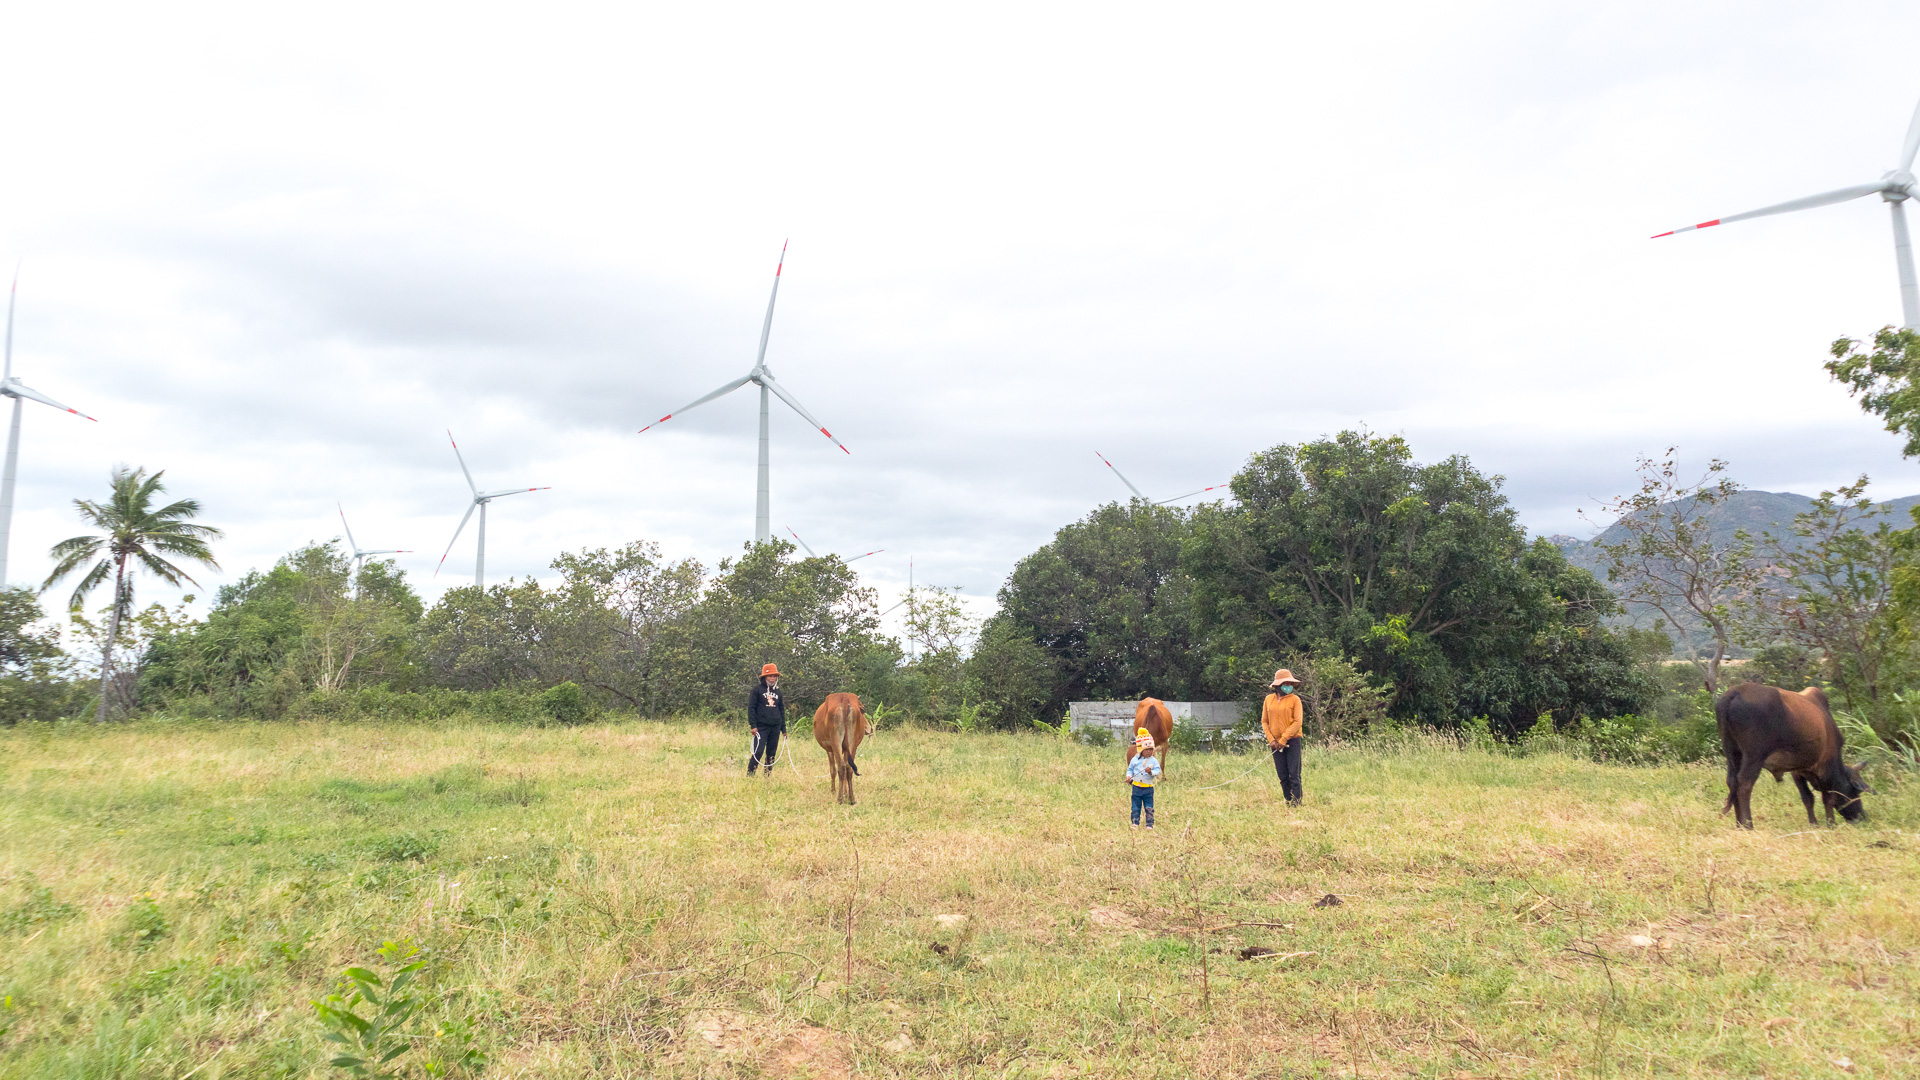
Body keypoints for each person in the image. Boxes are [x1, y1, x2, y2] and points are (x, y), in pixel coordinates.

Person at [1261, 668, 1304, 806]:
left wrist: (1284, 739)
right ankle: (1288, 799)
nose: (1288, 686)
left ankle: (1297, 802)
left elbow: (1298, 722)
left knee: (1294, 774)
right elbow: (1264, 721)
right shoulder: (1268, 700)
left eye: (1290, 683)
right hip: (1275, 743)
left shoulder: (1295, 700)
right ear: (1277, 685)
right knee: (1282, 775)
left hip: (1292, 741)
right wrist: (1271, 740)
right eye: (1285, 683)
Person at [746, 663, 786, 776]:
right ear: (764, 677)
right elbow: (751, 708)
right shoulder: (757, 690)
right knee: (758, 751)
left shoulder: (778, 692)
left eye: (774, 676)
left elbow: (781, 710)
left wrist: (783, 729)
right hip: (761, 727)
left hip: (775, 727)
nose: (772, 679)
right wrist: (753, 725)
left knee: (771, 753)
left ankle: (767, 775)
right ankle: (750, 775)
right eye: (770, 676)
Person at [1125, 727, 1162, 828]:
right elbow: (1130, 770)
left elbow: (1157, 770)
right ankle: (1135, 823)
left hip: (1148, 788)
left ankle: (1149, 824)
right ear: (1141, 749)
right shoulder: (1135, 760)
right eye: (1147, 750)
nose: (1149, 752)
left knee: (1149, 807)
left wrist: (1151, 772)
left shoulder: (1153, 761)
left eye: (1151, 749)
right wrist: (1129, 777)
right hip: (1136, 787)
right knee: (1135, 806)